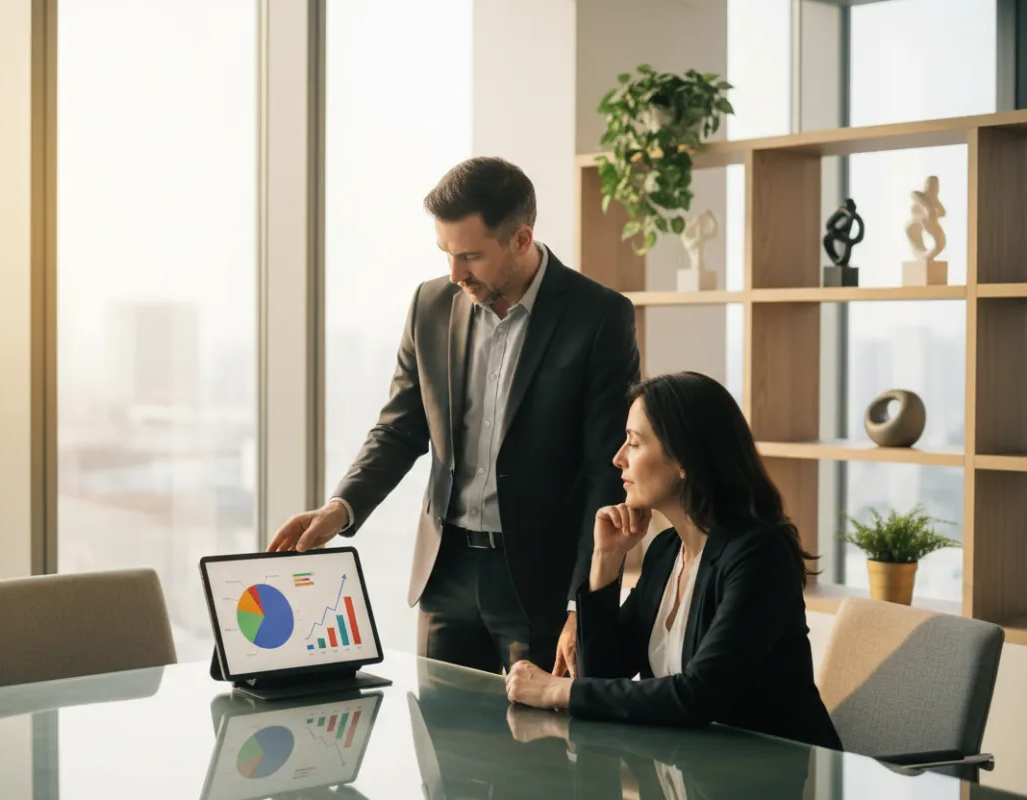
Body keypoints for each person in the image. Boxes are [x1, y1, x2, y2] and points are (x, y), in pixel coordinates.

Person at [266, 156, 641, 676]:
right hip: (445, 575)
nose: (455, 273)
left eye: (470, 256)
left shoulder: (598, 316)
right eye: (446, 253)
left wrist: (584, 602)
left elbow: (607, 471)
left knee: (534, 748)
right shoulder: (430, 304)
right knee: (442, 745)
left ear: (521, 239)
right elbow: (399, 428)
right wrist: (339, 507)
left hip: (539, 582)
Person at [504, 371, 842, 750]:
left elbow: (699, 695)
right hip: (690, 770)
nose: (618, 459)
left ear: (684, 458)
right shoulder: (667, 551)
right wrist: (606, 560)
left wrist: (555, 691)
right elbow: (598, 675)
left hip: (771, 777)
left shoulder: (760, 556)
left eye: (633, 443)